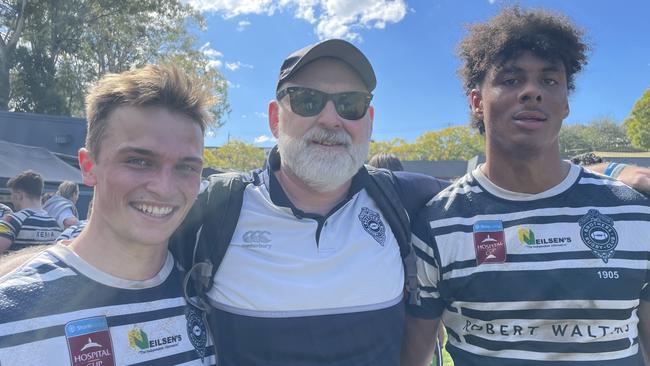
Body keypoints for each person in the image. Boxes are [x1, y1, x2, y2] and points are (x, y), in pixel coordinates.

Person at [402, 7, 650, 365]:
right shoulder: (438, 223)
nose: (532, 91)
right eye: (511, 79)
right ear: (476, 102)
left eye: (549, 81)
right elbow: (416, 356)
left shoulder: (634, 214)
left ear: (565, 103)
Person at [179, 39, 447, 366]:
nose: (331, 119)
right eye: (308, 100)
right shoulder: (214, 208)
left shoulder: (405, 199)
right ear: (275, 118)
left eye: (350, 104)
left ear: (370, 121)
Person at [0, 65, 216, 365]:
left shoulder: (212, 297)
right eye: (139, 161)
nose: (165, 189)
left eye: (186, 167)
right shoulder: (10, 309)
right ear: (88, 167)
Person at [0, 170, 61, 253]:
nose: (11, 198)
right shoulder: (55, 225)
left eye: (12, 194)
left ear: (19, 195)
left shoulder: (12, 221)